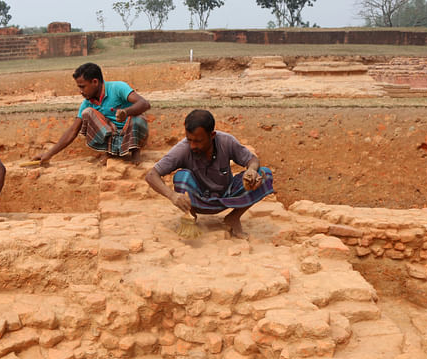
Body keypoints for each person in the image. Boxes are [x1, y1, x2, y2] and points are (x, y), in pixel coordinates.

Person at [144, 109, 274, 238]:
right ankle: (191, 215)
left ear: (212, 135)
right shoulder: (182, 149)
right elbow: (151, 175)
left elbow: (252, 159)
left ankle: (233, 217)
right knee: (181, 177)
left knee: (264, 174)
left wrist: (251, 170)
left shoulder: (226, 141)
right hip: (198, 200)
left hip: (227, 196)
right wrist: (171, 195)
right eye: (189, 140)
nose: (192, 145)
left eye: (198, 141)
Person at [36, 62, 150, 165]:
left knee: (138, 118)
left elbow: (144, 104)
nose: (80, 91)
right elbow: (73, 131)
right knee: (87, 113)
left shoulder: (117, 87)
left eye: (83, 87)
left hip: (130, 132)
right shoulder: (87, 103)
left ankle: (135, 150)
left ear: (95, 82)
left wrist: (126, 112)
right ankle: (110, 152)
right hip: (113, 133)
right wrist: (49, 154)